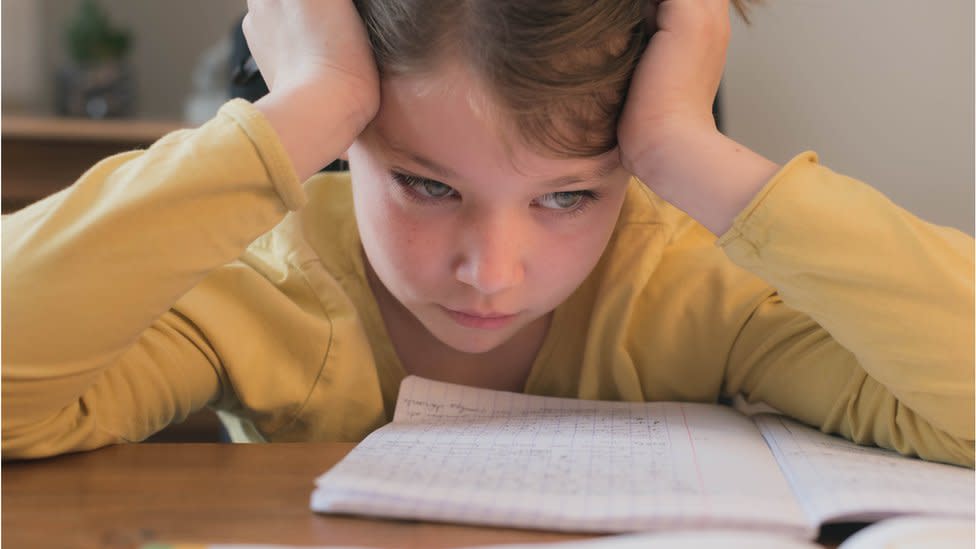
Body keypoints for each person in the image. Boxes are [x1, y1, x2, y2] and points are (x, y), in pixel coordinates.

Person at [2, 0, 972, 468]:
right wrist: (298, 108)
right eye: (425, 184)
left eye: (566, 198)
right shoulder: (258, 286)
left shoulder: (695, 293)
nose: (491, 275)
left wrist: (692, 151)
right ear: (349, 145)